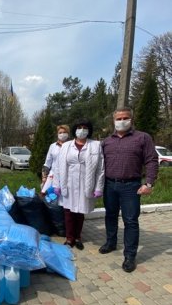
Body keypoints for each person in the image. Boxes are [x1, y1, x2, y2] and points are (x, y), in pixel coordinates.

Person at [100, 106, 158, 273]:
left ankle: (130, 256)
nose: (121, 121)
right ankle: (111, 243)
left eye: (125, 118)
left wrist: (148, 183)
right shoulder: (107, 141)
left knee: (130, 220)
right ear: (113, 121)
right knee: (110, 215)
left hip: (131, 186)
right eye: (118, 119)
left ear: (131, 119)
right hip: (109, 185)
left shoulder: (142, 138)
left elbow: (151, 161)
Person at [54, 118, 105, 250]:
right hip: (68, 183)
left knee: (80, 212)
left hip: (85, 183)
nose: (81, 130)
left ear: (89, 130)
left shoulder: (95, 145)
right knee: (68, 212)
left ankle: (78, 237)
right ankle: (69, 238)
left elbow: (100, 168)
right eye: (79, 127)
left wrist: (99, 187)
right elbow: (59, 167)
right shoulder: (66, 146)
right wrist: (57, 185)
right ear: (74, 130)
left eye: (85, 127)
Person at [41, 124, 70, 192]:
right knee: (50, 198)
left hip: (68, 178)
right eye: (60, 132)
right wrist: (44, 177)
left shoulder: (72, 146)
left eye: (64, 132)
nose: (62, 134)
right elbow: (47, 163)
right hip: (53, 177)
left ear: (68, 134)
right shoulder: (53, 146)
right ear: (57, 134)